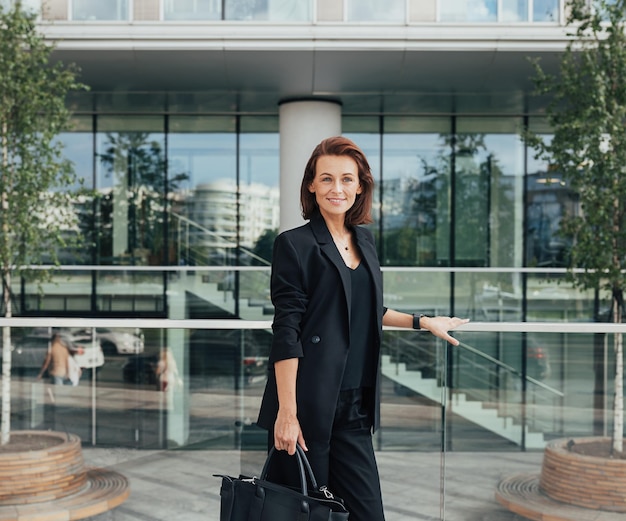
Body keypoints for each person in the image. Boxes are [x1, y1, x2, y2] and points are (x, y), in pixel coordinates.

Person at [256, 136, 469, 521]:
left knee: (368, 512)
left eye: (346, 179)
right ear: (311, 185)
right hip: (307, 404)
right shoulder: (294, 245)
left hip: (354, 406)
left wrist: (423, 322)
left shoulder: (365, 241)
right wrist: (286, 412)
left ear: (360, 186)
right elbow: (286, 330)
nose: (337, 189)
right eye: (326, 179)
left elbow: (367, 308)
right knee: (307, 513)